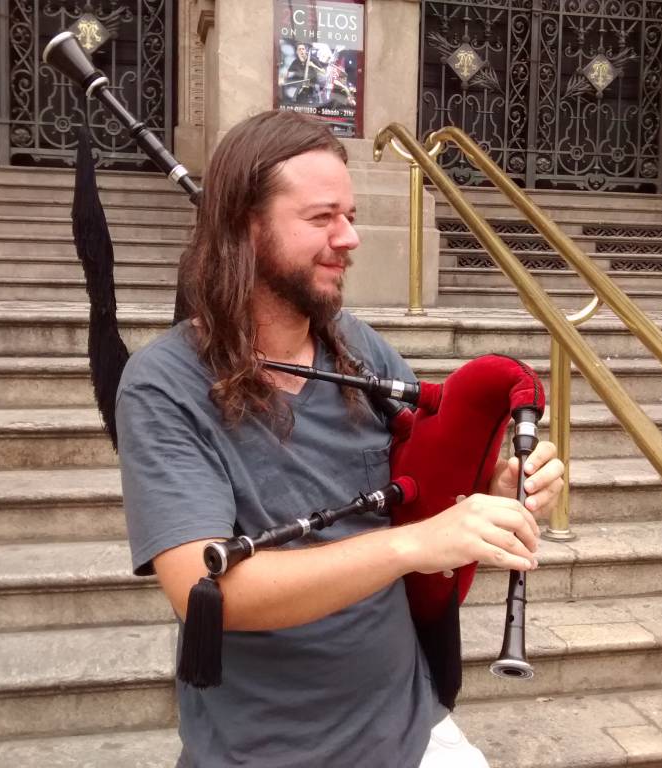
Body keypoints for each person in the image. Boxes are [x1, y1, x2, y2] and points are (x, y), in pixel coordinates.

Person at [116, 110, 565, 768]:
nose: (350, 237)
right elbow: (208, 593)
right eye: (323, 217)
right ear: (248, 226)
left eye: (350, 214)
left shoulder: (360, 348)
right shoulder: (162, 386)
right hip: (266, 752)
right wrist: (412, 543)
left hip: (412, 729)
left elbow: (420, 500)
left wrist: (491, 494)